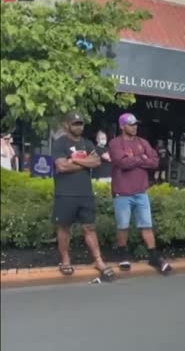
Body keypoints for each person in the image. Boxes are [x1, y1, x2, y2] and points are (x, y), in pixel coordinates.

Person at [51, 112, 114, 280]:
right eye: (75, 123)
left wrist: (74, 160)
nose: (79, 126)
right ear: (66, 125)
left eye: (81, 124)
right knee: (64, 228)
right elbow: (61, 167)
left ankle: (98, 261)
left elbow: (97, 161)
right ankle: (65, 260)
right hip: (65, 194)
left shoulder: (87, 143)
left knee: (90, 228)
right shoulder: (59, 143)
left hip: (85, 194)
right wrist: (85, 162)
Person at [109, 113, 172, 273]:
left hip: (141, 191)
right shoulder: (115, 143)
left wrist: (136, 159)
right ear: (122, 126)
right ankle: (123, 255)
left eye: (136, 124)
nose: (135, 127)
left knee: (147, 225)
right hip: (122, 192)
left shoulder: (143, 142)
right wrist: (141, 158)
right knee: (123, 226)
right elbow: (121, 163)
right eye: (131, 124)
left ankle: (153, 257)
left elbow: (155, 162)